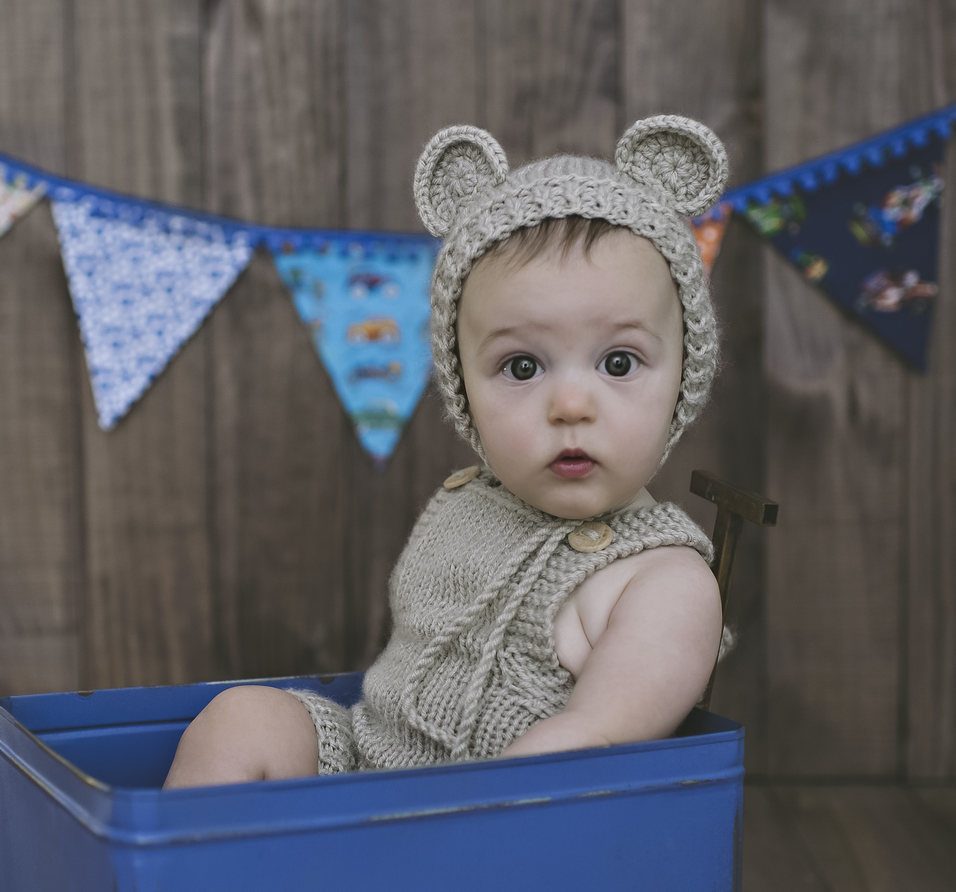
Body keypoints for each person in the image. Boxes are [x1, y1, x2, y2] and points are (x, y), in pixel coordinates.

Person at [165, 115, 726, 788]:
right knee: (240, 719)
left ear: (683, 378)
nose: (571, 405)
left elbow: (591, 740)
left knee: (548, 765)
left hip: (495, 821)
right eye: (522, 367)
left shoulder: (664, 583)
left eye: (618, 362)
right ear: (464, 389)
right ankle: (198, 859)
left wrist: (489, 800)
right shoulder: (472, 504)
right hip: (366, 765)